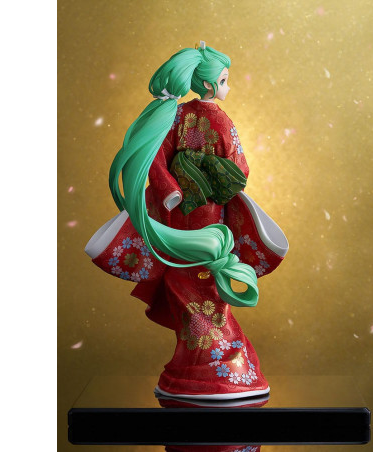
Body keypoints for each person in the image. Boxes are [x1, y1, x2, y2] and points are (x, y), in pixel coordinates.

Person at [85, 42, 288, 399]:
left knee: (195, 282)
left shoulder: (175, 116)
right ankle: (215, 365)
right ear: (208, 84)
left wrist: (170, 190)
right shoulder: (221, 121)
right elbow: (240, 170)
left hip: (178, 214)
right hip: (208, 216)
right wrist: (215, 177)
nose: (227, 87)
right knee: (202, 283)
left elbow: (155, 158)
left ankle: (205, 364)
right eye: (223, 80)